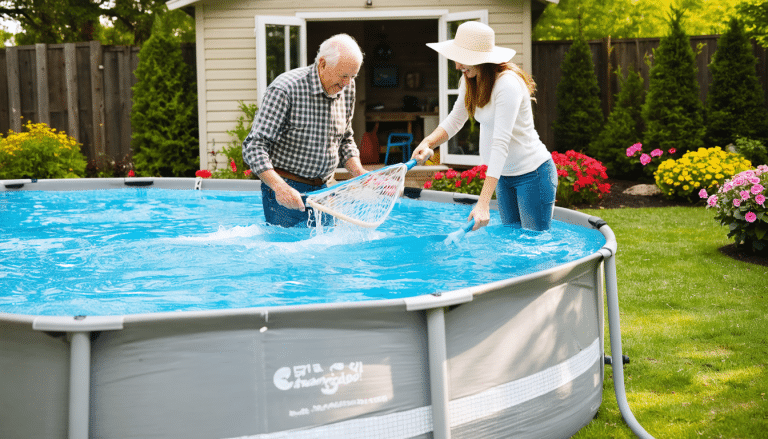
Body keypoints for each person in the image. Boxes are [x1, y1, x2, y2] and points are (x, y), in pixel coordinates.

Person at [412, 21, 557, 232]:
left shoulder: (507, 84)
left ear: (481, 59)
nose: (457, 66)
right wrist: (428, 143)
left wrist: (483, 203)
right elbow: (455, 120)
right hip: (504, 177)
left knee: (531, 246)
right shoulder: (470, 81)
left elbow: (500, 143)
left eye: (463, 59)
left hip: (533, 174)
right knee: (511, 243)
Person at [243, 34, 368, 227]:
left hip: (324, 191)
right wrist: (279, 187)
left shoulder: (347, 89)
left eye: (353, 76)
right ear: (323, 64)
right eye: (343, 76)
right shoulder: (285, 89)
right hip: (287, 189)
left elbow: (345, 139)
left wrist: (359, 172)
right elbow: (254, 146)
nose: (347, 83)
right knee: (289, 254)